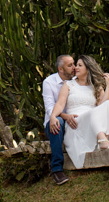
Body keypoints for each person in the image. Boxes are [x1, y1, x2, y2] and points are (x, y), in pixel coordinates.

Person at [48, 55, 109, 170]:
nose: (76, 68)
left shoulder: (96, 87)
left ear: (88, 68)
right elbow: (60, 104)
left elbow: (104, 107)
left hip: (91, 125)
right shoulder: (68, 85)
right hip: (76, 124)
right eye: (76, 65)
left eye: (79, 65)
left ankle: (103, 138)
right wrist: (53, 116)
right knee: (92, 113)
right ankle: (102, 140)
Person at [42, 55, 76, 185]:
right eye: (70, 65)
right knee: (57, 121)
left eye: (74, 64)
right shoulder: (49, 82)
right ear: (60, 69)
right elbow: (50, 108)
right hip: (56, 121)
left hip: (73, 120)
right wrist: (64, 116)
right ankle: (57, 169)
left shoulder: (76, 80)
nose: (74, 68)